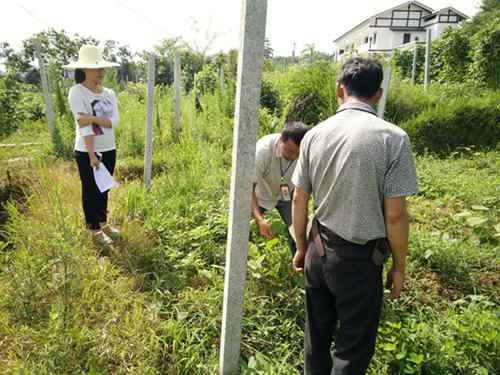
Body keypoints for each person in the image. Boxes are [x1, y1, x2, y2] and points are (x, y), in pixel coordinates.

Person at [291, 57, 419, 375]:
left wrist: (301, 248)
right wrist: (399, 267)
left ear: (339, 90)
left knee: (316, 338)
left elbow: (298, 198)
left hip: (318, 250)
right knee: (353, 348)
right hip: (359, 262)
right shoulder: (393, 138)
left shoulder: (314, 135)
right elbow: (395, 216)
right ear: (378, 94)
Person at [64, 45, 121, 246]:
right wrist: (91, 154)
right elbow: (82, 126)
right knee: (90, 190)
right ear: (85, 70)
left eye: (102, 68)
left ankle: (103, 223)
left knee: (104, 188)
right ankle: (94, 230)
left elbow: (114, 122)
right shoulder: (76, 92)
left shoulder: (109, 93)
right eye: (98, 69)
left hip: (109, 148)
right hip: (88, 151)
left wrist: (91, 117)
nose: (102, 72)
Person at [251, 121, 309, 256]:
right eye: (289, 151)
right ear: (280, 139)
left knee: (298, 231)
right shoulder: (262, 150)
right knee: (241, 226)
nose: (294, 157)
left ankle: (300, 265)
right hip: (260, 195)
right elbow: (248, 188)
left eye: (297, 153)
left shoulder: (306, 150)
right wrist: (260, 220)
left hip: (287, 196)